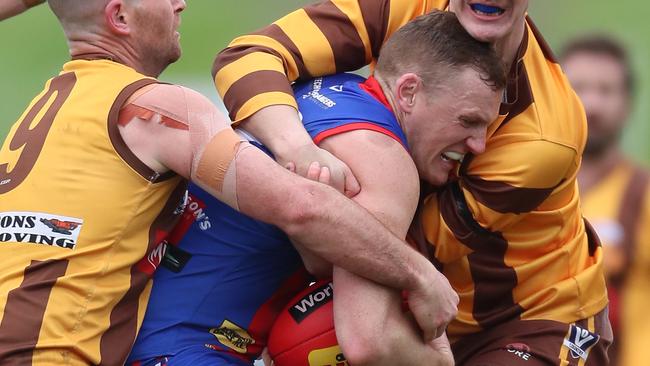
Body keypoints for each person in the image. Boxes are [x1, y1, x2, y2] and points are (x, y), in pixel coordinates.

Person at [0, 1, 461, 364]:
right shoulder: (153, 108)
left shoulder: (47, 104)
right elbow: (301, 208)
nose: (180, 4)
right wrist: (420, 275)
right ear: (119, 16)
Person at [213, 1, 612, 365]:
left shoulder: (545, 140)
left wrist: (304, 202)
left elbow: (377, 242)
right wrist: (299, 152)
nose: (479, 143)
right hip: (420, 309)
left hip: (531, 320)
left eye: (480, 125)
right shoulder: (403, 7)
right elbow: (247, 57)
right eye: (468, 123)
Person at [128, 10, 505, 366]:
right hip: (186, 350)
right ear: (408, 91)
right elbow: (369, 342)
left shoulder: (319, 89)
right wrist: (438, 359)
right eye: (468, 121)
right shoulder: (384, 160)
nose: (478, 145)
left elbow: (316, 255)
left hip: (132, 334)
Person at [561, 35, 650, 366]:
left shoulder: (642, 195)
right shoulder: (523, 193)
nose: (593, 104)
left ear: (628, 102)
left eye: (606, 90)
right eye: (580, 87)